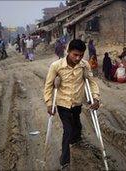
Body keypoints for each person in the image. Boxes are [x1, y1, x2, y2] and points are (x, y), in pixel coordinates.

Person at [44, 39, 100, 170]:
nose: (78, 58)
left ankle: (76, 139)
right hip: (63, 103)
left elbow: (91, 82)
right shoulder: (56, 66)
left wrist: (96, 99)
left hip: (77, 102)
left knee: (77, 124)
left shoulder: (84, 65)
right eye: (75, 54)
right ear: (68, 51)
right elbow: (48, 86)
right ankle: (65, 161)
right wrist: (48, 103)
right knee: (67, 130)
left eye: (81, 55)